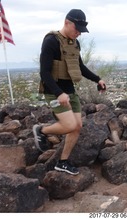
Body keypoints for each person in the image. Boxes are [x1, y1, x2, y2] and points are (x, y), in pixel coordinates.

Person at [33, 9, 106, 175]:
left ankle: (62, 162)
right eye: (77, 29)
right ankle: (41, 130)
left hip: (69, 90)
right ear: (67, 22)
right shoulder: (51, 41)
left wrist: (97, 79)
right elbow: (44, 73)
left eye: (81, 31)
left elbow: (79, 67)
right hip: (53, 91)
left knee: (77, 126)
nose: (79, 33)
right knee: (69, 125)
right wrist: (58, 93)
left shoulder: (74, 43)